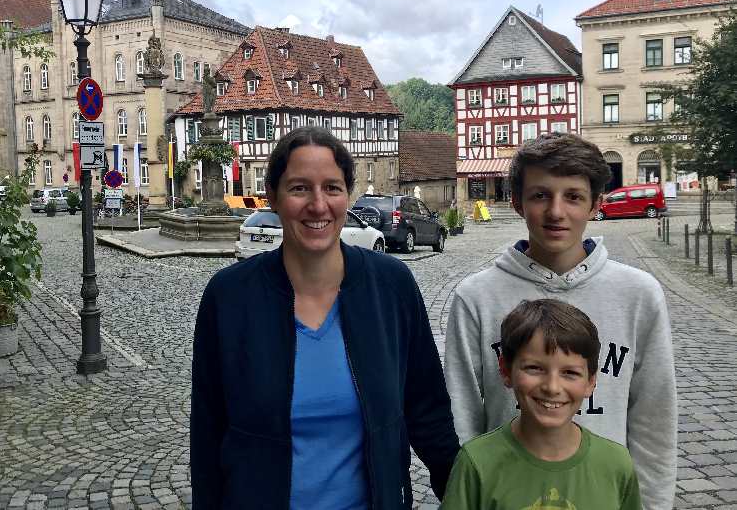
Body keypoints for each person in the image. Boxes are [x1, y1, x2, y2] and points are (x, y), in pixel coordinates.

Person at [190, 126, 460, 510]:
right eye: (300, 188)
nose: (318, 205)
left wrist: (462, 489)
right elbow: (207, 432)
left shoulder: (391, 287)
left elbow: (427, 410)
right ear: (273, 197)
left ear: (347, 195)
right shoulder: (230, 297)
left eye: (332, 188)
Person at [444, 132, 676, 510]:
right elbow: (463, 415)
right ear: (518, 202)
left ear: (595, 204)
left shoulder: (638, 294)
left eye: (573, 196)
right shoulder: (476, 297)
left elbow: (654, 417)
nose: (556, 211)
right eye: (540, 195)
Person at [441, 299, 642, 510]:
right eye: (535, 368)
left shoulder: (616, 465)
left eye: (570, 372)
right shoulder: (476, 463)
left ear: (591, 381)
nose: (552, 387)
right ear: (506, 370)